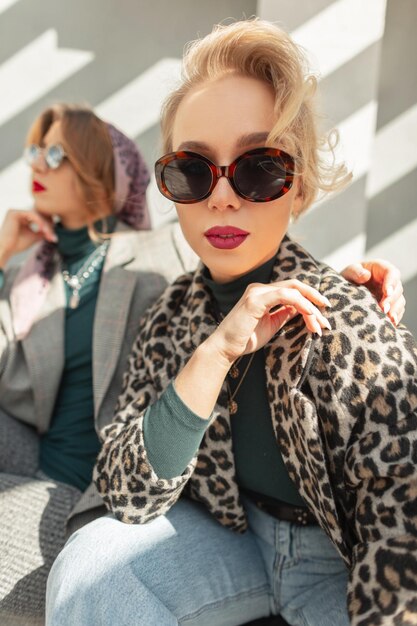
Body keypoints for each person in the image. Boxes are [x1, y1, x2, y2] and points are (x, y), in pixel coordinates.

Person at [45, 19, 416, 626]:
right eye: (192, 169)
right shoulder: (168, 316)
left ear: (296, 190)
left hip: (337, 560)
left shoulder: (349, 322)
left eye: (258, 168)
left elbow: (401, 523)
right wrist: (212, 355)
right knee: (91, 573)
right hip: (229, 538)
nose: (221, 197)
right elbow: (125, 493)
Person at [0, 103, 201, 625]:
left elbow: (237, 280)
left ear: (100, 171)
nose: (36, 167)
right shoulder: (30, 269)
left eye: (54, 153)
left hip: (100, 483)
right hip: (30, 452)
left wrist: (338, 283)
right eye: (32, 152)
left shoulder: (162, 250)